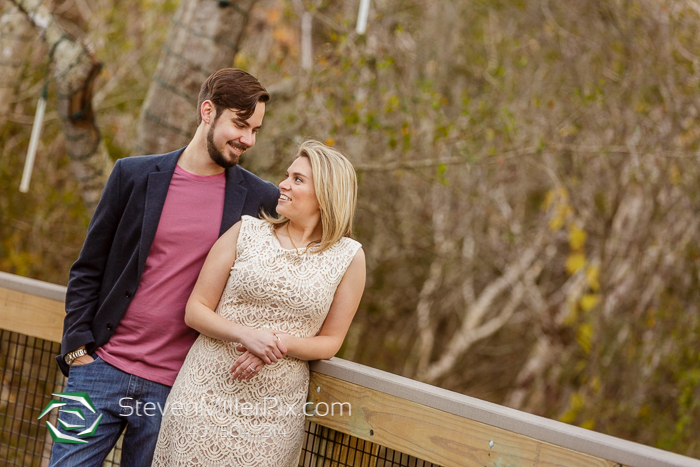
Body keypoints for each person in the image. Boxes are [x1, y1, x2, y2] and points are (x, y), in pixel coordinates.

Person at [50, 68, 283, 467]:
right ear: (208, 112)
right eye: (240, 124)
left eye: (255, 129)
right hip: (100, 368)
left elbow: (285, 276)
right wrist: (77, 351)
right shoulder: (133, 175)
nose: (248, 139)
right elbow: (88, 267)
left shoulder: (260, 199)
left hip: (176, 389)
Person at [151, 140, 366, 466]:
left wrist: (275, 343)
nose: (282, 184)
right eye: (287, 175)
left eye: (298, 179)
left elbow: (330, 342)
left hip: (273, 418)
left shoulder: (349, 257)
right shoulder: (246, 231)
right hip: (204, 397)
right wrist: (246, 335)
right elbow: (195, 310)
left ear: (325, 194)